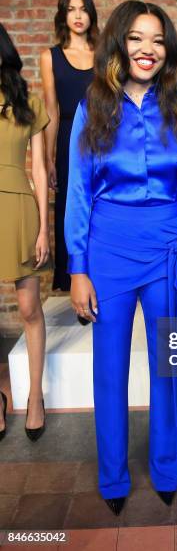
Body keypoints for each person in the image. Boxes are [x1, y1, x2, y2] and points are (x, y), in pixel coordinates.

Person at [65, 0, 177, 515]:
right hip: (107, 251)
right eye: (136, 39)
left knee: (168, 367)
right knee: (109, 370)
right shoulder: (92, 107)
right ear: (118, 44)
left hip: (169, 251)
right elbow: (79, 192)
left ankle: (167, 469)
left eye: (157, 40)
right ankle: (113, 478)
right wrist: (77, 267)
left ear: (167, 49)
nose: (147, 50)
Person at [0, 23, 51, 442]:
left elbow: (38, 168)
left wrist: (43, 229)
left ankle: (35, 396)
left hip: (17, 205)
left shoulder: (27, 102)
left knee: (30, 308)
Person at [40, 0, 98, 291]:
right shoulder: (49, 57)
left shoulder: (103, 54)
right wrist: (49, 158)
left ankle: (99, 272)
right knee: (69, 205)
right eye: (71, 9)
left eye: (83, 9)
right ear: (63, 15)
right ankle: (71, 278)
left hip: (99, 137)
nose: (78, 15)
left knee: (98, 203)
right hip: (65, 139)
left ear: (91, 14)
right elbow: (50, 107)